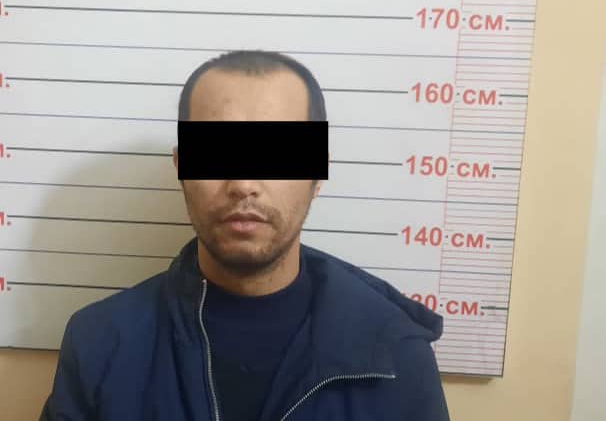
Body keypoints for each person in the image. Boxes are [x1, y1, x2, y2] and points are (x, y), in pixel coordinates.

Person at [40, 50, 450, 421]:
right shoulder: (100, 342)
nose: (243, 184)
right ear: (181, 167)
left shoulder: (396, 351)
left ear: (318, 170)